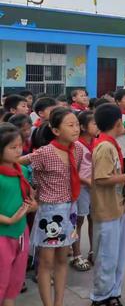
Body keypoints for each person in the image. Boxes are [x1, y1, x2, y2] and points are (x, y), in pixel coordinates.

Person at [20, 107, 83, 306]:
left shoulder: (78, 149)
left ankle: (59, 303)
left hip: (70, 210)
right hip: (50, 212)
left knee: (63, 260)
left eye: (78, 125)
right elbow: (18, 165)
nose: (76, 129)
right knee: (46, 263)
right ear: (55, 131)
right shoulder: (45, 152)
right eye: (70, 125)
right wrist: (32, 192)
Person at [90, 103, 125, 305]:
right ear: (119, 123)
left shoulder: (111, 144)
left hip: (118, 207)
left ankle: (113, 293)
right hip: (106, 209)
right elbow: (102, 179)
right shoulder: (104, 147)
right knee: (106, 256)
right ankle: (100, 296)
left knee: (119, 256)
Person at [0, 123, 37, 305]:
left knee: (15, 281)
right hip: (3, 235)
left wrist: (32, 205)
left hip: (21, 232)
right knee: (1, 279)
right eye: (12, 147)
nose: (18, 151)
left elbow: (31, 198)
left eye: (20, 146)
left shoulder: (21, 171)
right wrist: (7, 219)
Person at [71, 111, 99, 272]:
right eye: (94, 124)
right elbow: (73, 171)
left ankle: (93, 250)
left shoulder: (96, 142)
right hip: (81, 188)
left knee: (94, 218)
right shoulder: (76, 146)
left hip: (94, 188)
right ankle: (76, 254)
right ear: (83, 127)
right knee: (78, 221)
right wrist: (87, 181)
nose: (97, 127)